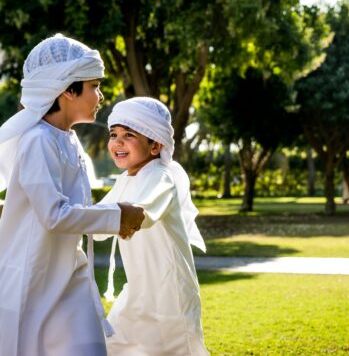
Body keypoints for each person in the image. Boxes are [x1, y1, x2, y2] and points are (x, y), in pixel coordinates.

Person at [0, 34, 144, 356]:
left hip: (72, 277)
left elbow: (73, 210)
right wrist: (117, 217)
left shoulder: (69, 139)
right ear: (67, 88)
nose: (101, 96)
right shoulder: (38, 140)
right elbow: (54, 215)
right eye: (94, 86)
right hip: (34, 283)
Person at [94, 97, 209, 355]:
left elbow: (143, 215)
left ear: (156, 145)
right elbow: (98, 224)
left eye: (129, 134)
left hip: (170, 296)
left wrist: (125, 219)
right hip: (137, 292)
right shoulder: (126, 180)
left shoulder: (162, 176)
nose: (118, 142)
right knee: (110, 346)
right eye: (113, 134)